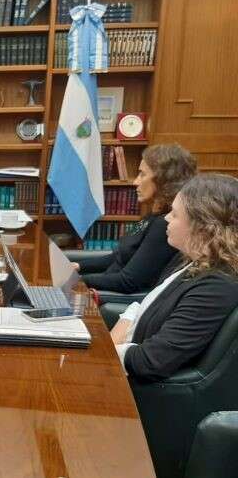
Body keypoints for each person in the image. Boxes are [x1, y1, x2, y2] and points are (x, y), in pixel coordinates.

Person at [112, 174, 238, 381]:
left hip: (134, 389)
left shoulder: (217, 286)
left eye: (175, 214)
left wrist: (104, 352)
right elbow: (145, 305)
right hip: (123, 360)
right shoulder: (192, 260)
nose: (166, 218)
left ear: (202, 227)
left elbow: (152, 360)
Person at [75, 144, 196, 294]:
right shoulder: (152, 217)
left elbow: (128, 282)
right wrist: (79, 266)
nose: (135, 182)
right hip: (105, 286)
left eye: (142, 174)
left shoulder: (164, 226)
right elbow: (120, 257)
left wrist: (78, 280)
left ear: (163, 180)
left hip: (112, 297)